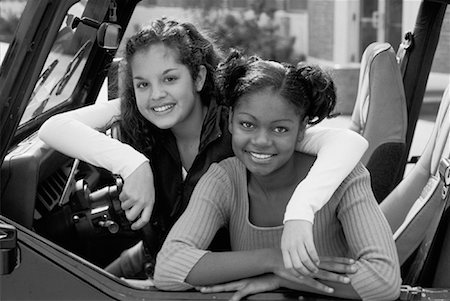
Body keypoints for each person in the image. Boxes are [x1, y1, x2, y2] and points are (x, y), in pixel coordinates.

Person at [38, 17, 368, 278]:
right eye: (143, 84)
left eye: (170, 79)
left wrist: (301, 211)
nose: (156, 95)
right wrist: (131, 163)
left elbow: (349, 141)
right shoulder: (138, 118)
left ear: (197, 78)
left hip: (226, 279)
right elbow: (53, 127)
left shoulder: (239, 125)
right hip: (161, 267)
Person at [153, 52, 401, 301]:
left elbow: (383, 281)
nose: (261, 141)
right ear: (230, 121)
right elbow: (169, 268)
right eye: (247, 125)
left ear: (302, 129)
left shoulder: (346, 177)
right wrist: (274, 259)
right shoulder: (224, 179)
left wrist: (283, 278)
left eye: (280, 128)